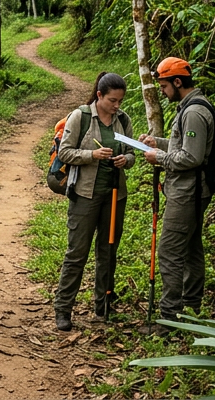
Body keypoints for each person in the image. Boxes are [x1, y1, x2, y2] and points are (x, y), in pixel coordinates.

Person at [53, 72, 136, 331]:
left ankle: (104, 304)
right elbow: (65, 152)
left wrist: (127, 160)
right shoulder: (81, 117)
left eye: (120, 100)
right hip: (85, 195)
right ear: (99, 96)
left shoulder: (123, 120)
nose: (117, 105)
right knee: (77, 253)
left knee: (108, 250)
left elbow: (132, 151)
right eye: (112, 100)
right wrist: (92, 154)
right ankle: (63, 308)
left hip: (114, 195)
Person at [138, 57, 214, 332]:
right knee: (192, 248)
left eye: (164, 85)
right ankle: (192, 308)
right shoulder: (191, 107)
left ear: (177, 82)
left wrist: (158, 157)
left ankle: (169, 318)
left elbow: (191, 157)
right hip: (189, 191)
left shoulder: (194, 112)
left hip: (188, 192)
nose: (163, 91)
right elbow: (185, 145)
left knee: (170, 251)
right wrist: (157, 143)